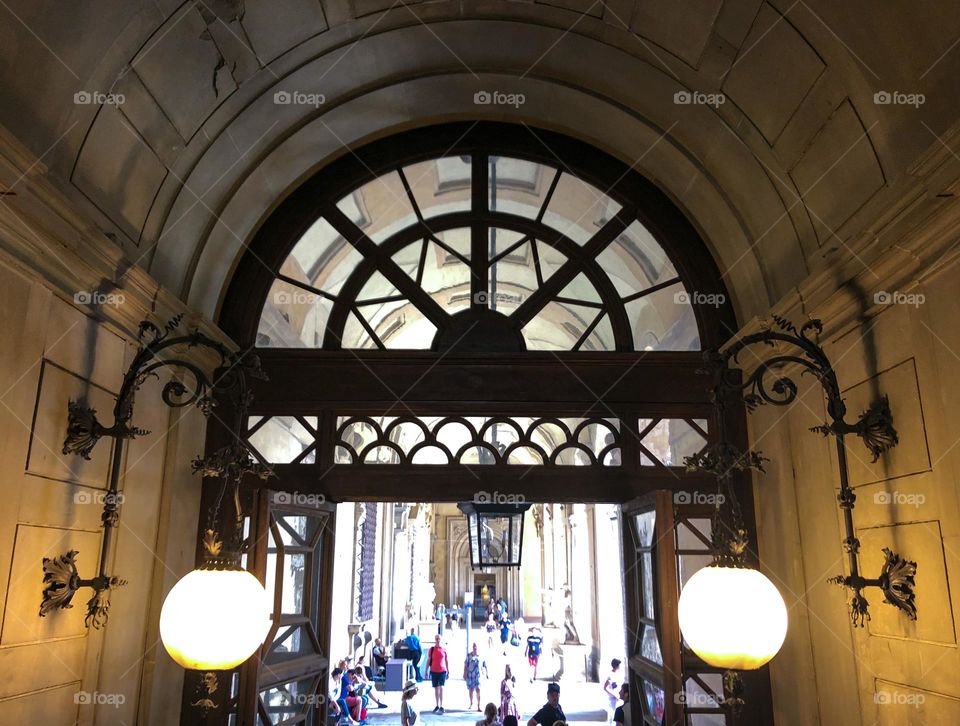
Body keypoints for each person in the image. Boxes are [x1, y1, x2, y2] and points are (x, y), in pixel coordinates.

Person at [427, 634, 450, 713]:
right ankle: (437, 705)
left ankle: (442, 705)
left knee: (441, 687)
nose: (438, 640)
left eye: (439, 639)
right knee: (436, 688)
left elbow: (447, 660)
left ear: (441, 640)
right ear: (435, 640)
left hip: (442, 670)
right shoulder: (432, 649)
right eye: (436, 639)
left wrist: (448, 670)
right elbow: (428, 660)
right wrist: (426, 670)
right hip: (434, 670)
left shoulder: (444, 649)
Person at [464, 642, 488, 711]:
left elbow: (485, 665)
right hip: (470, 675)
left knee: (478, 690)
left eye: (476, 646)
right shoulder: (469, 655)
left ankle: (479, 705)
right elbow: (466, 664)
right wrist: (464, 673)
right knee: (471, 690)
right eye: (474, 646)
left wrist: (486, 674)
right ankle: (471, 703)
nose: (475, 647)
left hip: (478, 676)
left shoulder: (481, 656)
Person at [602, 659, 622, 723]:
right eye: (619, 665)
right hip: (612, 699)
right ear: (616, 666)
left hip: (618, 698)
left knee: (617, 716)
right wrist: (613, 694)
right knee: (612, 716)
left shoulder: (619, 675)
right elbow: (605, 687)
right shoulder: (610, 675)